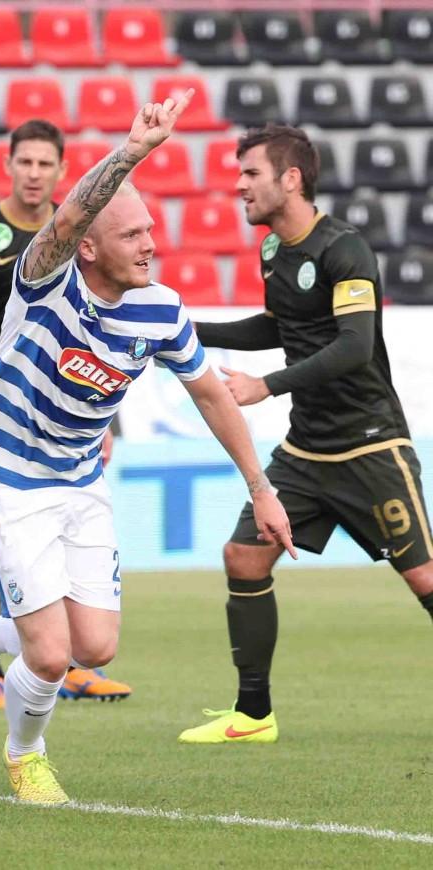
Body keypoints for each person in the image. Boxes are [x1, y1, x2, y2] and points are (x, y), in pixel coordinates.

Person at [0, 91, 297, 804]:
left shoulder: (159, 309)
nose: (148, 246)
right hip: (9, 475)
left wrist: (260, 487)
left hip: (80, 480)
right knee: (50, 656)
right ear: (90, 246)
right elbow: (68, 214)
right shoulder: (43, 283)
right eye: (132, 234)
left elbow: (210, 394)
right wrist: (134, 151)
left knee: (95, 647)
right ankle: (26, 757)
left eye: (150, 232)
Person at [179, 124, 433, 744]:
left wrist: (266, 386)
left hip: (370, 444)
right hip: (305, 450)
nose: (239, 186)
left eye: (251, 174)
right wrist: (185, 331)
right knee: (243, 557)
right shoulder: (274, 250)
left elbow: (355, 346)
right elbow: (278, 324)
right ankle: (253, 715)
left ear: (290, 179)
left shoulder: (345, 249)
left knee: (425, 580)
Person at [0, 119, 130, 709]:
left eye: (45, 164)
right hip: (0, 418)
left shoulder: (79, 237)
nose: (34, 173)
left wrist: (104, 420)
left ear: (61, 170)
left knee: (68, 542)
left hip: (65, 420)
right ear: (8, 166)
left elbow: (94, 330)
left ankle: (65, 665)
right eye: (24, 162)